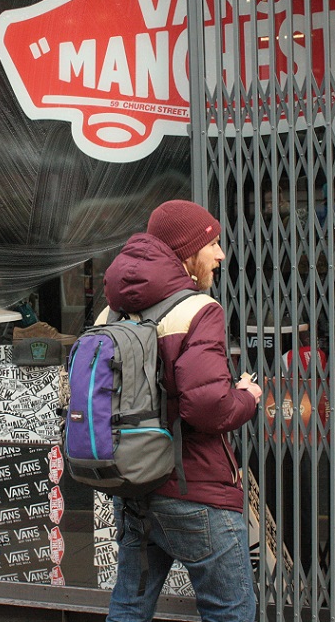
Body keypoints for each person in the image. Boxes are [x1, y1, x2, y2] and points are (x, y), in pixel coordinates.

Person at [104, 200, 264, 622]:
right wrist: (247, 396)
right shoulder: (198, 309)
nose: (220, 254)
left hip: (134, 489)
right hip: (195, 490)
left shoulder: (112, 310)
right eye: (212, 243)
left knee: (129, 607)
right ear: (188, 252)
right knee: (231, 612)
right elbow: (208, 407)